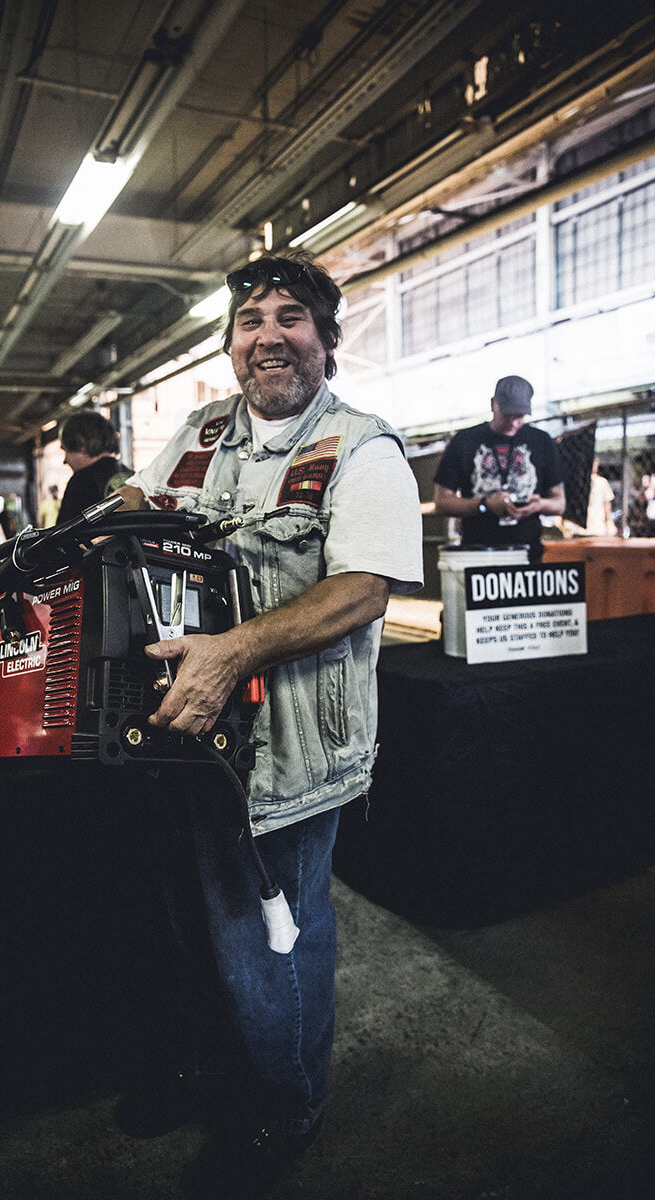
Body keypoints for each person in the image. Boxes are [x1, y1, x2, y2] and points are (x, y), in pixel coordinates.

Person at [111, 254, 422, 1198]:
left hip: (290, 751)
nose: (269, 336)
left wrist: (233, 651)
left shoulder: (361, 447)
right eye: (251, 321)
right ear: (231, 345)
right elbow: (140, 506)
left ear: (326, 339)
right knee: (189, 924)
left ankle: (285, 1108)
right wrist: (117, 529)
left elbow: (362, 589)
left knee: (270, 941)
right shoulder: (201, 432)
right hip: (183, 733)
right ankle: (211, 1069)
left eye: (292, 317)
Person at [432, 374, 566, 561]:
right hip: (478, 554)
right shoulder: (464, 441)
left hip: (528, 555)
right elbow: (441, 502)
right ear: (493, 403)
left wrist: (538, 505)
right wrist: (484, 505)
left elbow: (559, 503)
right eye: (507, 414)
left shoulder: (541, 441)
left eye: (519, 416)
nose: (513, 422)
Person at [56, 410, 132, 524]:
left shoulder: (81, 482)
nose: (65, 461)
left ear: (81, 444)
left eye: (66, 451)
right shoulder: (134, 478)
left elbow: (65, 532)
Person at [584, 458, 616, 537]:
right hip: (580, 529)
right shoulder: (579, 481)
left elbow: (607, 505)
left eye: (595, 462)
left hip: (598, 526)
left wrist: (609, 523)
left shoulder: (602, 482)